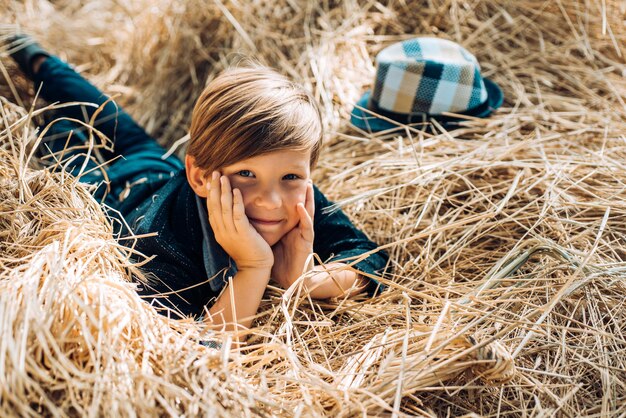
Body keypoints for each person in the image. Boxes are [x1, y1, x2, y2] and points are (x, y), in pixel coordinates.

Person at [8, 35, 388, 333]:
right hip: (108, 193)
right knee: (70, 137)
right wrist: (255, 267)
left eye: (291, 176)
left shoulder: (295, 195)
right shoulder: (164, 246)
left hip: (162, 167)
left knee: (123, 129)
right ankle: (36, 65)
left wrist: (305, 280)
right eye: (246, 174)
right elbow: (204, 352)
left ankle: (37, 61)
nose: (272, 201)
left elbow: (369, 260)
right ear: (202, 177)